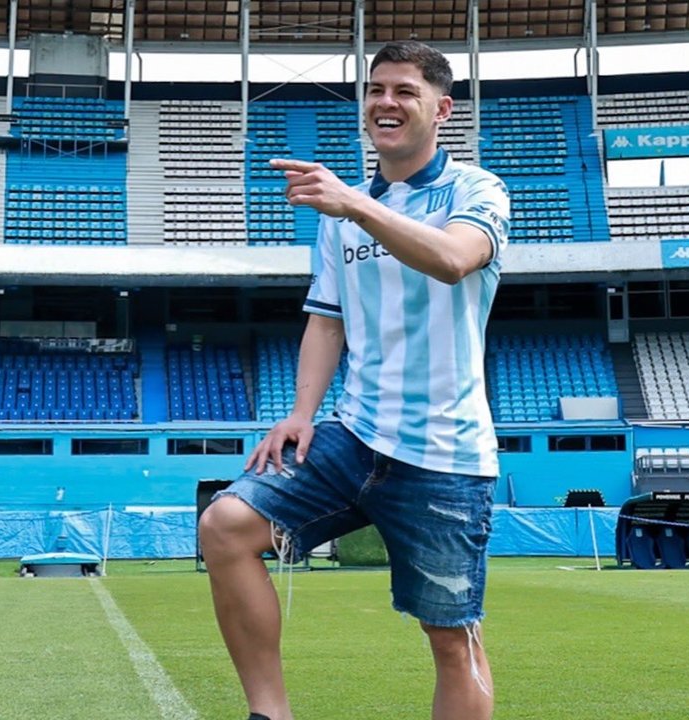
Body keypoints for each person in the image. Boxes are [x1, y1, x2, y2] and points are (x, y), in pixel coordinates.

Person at [198, 40, 510, 720]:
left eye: (404, 91)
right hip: (354, 434)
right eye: (375, 90)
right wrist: (300, 412)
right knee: (225, 526)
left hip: (443, 452)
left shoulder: (476, 190)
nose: (384, 103)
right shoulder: (344, 214)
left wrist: (356, 206)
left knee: (451, 639)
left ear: (442, 109)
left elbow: (454, 259)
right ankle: (270, 714)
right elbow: (326, 321)